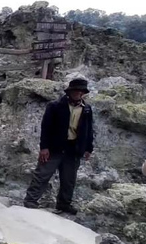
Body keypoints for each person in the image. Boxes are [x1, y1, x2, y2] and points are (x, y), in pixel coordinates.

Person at [23, 78, 94, 214]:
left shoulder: (86, 109)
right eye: (76, 90)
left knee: (69, 179)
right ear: (70, 91)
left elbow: (89, 129)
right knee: (42, 175)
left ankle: (64, 204)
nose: (79, 93)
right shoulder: (55, 106)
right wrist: (44, 148)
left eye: (82, 91)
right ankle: (30, 201)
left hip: (74, 149)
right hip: (54, 148)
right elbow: (46, 127)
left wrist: (88, 148)